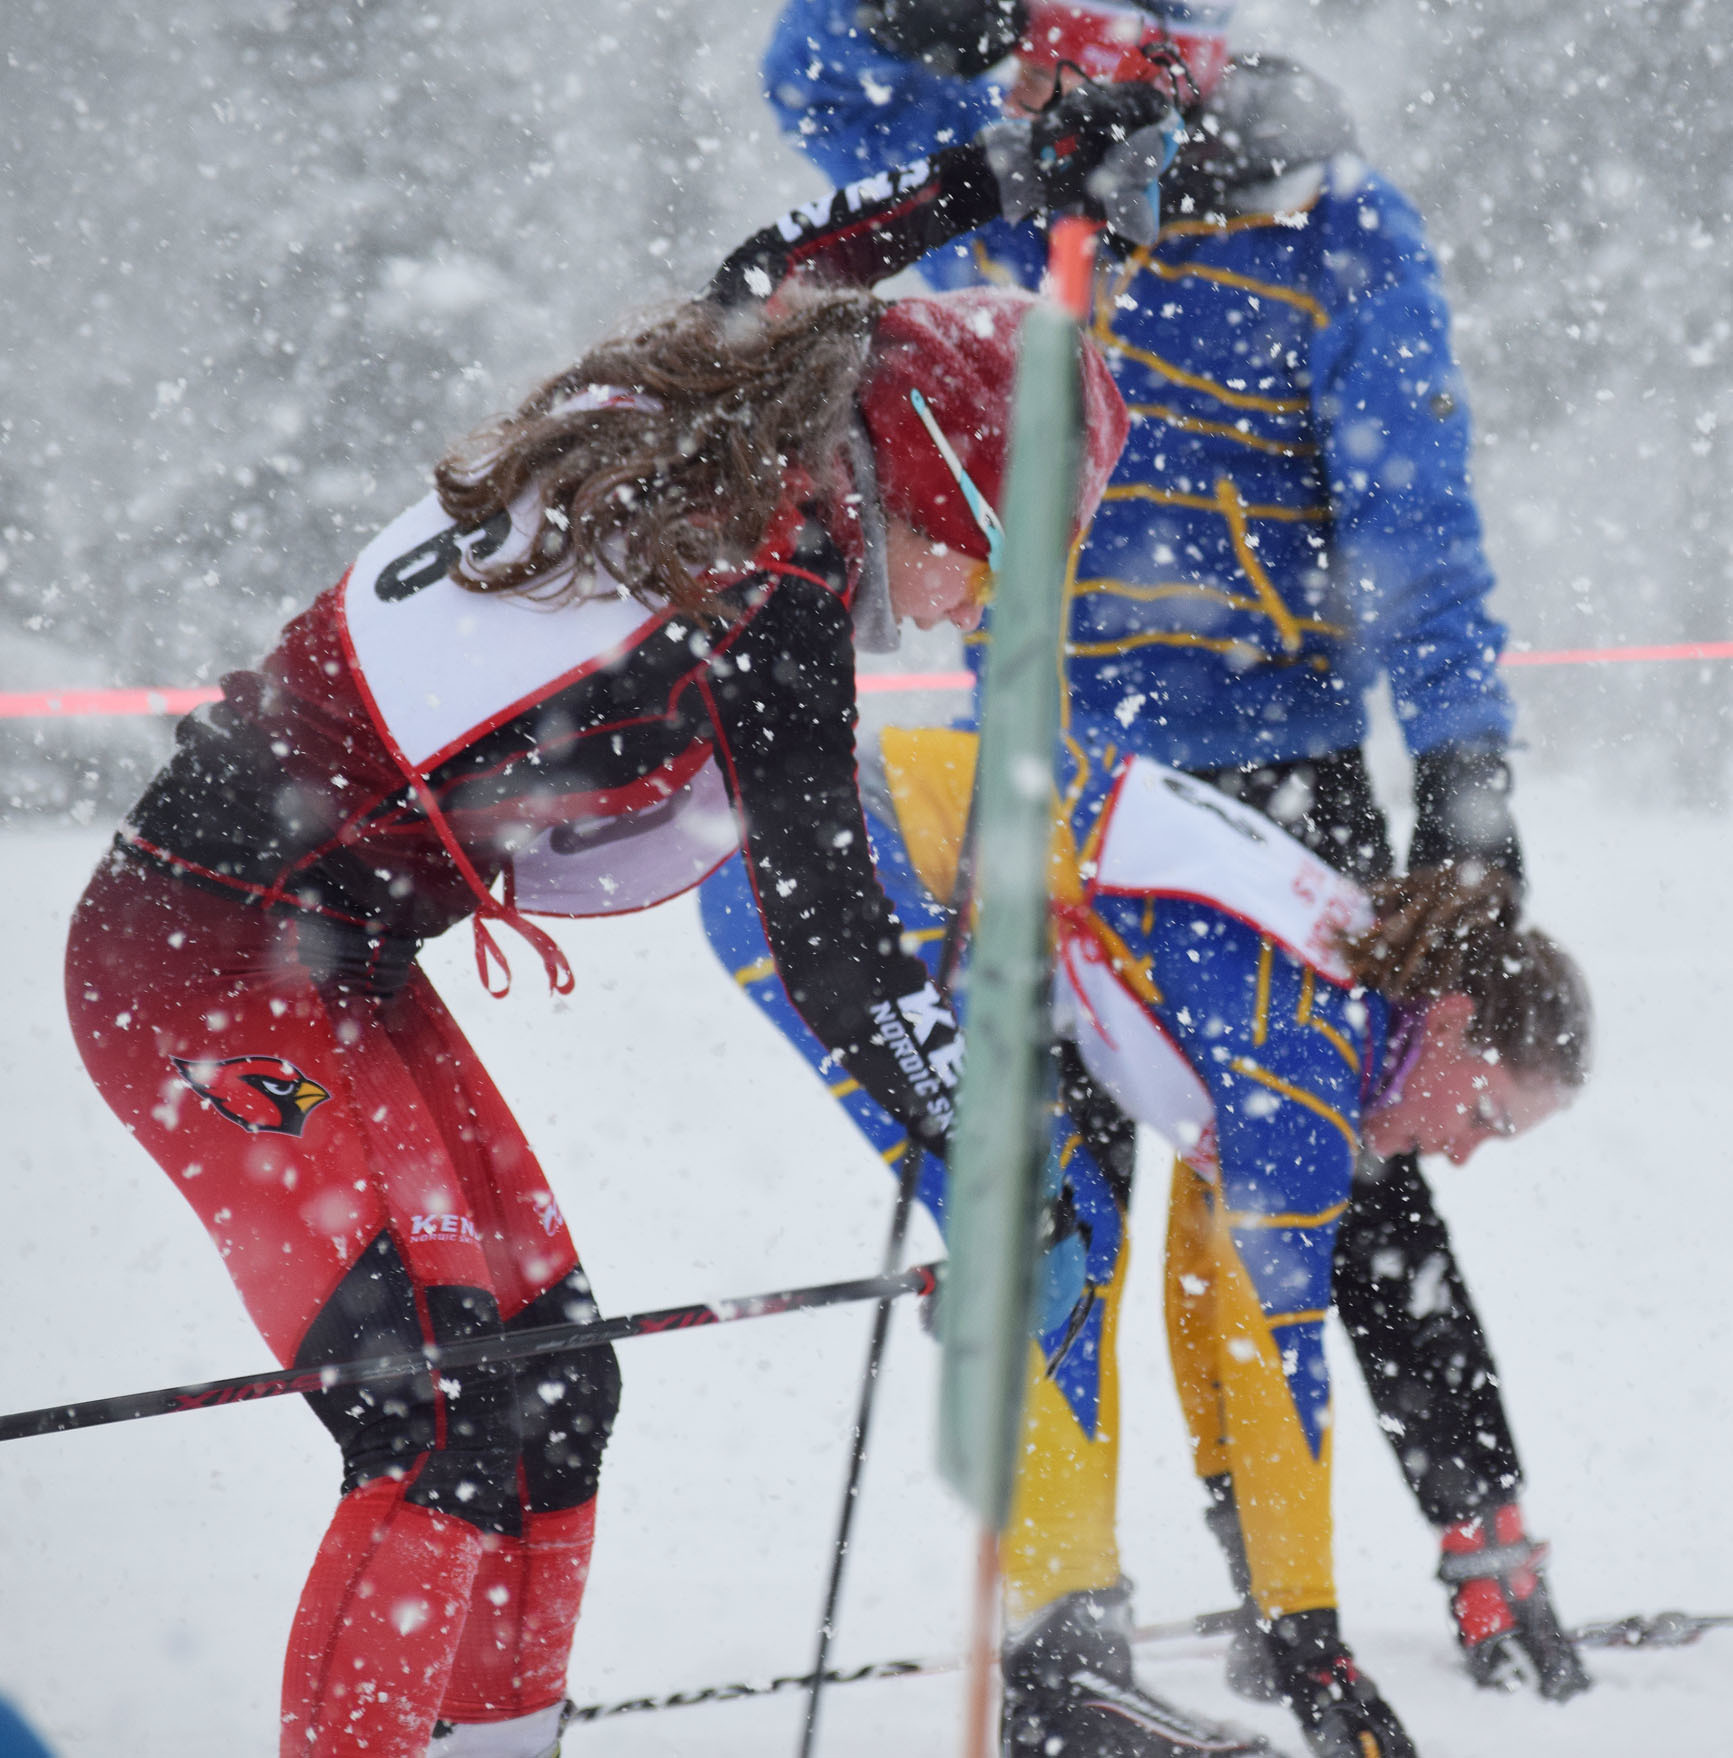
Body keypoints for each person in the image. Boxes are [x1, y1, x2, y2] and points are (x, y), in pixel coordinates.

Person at [60, 93, 1165, 1757]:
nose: (1001, 605)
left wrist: (985, 178)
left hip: (322, 959)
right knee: (438, 1416)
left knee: (555, 1387)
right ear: (946, 475)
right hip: (197, 964)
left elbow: (789, 270)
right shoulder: (770, 576)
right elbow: (833, 936)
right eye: (1018, 555)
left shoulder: (713, 412)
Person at [756, 0, 1590, 1713]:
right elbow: (819, 81)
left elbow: (1416, 525)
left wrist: (1464, 787)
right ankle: (1076, 1626)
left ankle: (1463, 1543)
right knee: (1061, 1195)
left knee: (1337, 1200)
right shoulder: (1044, 186)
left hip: (1271, 769)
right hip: (1046, 778)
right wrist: (960, 21)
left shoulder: (1331, 220)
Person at [702, 729, 1591, 1758]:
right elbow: (1274, 1350)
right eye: (1485, 1114)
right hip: (818, 865)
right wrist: (1312, 1645)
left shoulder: (1332, 994)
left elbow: (1208, 1295)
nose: (1464, 1153)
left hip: (807, 836)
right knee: (1052, 1238)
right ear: (1447, 1022)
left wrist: (1273, 1597)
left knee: (1070, 1231)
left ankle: (1067, 1659)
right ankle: (1064, 1675)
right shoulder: (1307, 1054)